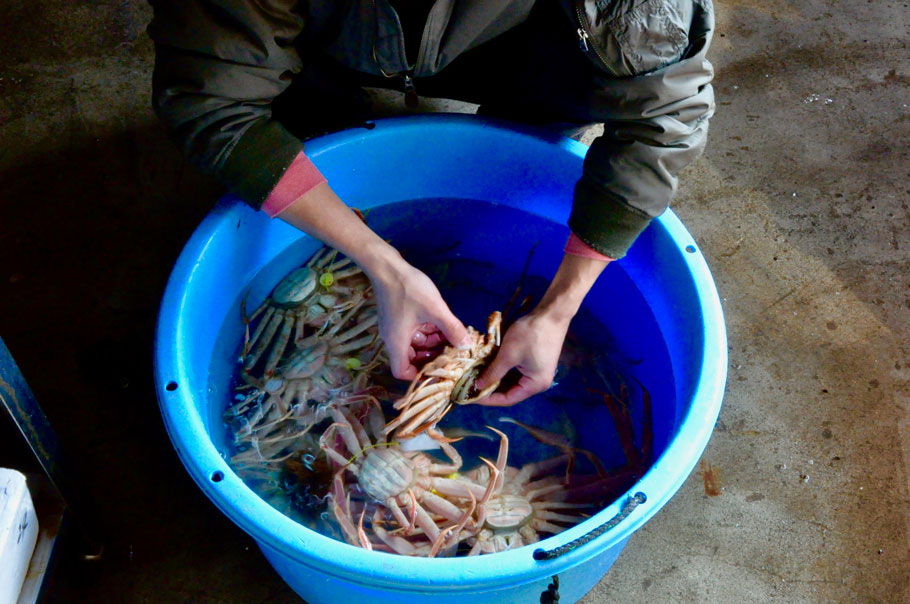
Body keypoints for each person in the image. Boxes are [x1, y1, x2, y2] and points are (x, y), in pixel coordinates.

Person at [148, 0, 715, 406]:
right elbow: (213, 103)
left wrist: (558, 309)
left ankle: (531, 121)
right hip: (332, 32)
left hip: (513, 34)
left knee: (598, 69)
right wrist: (384, 264)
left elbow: (667, 113)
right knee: (282, 117)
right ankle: (314, 103)